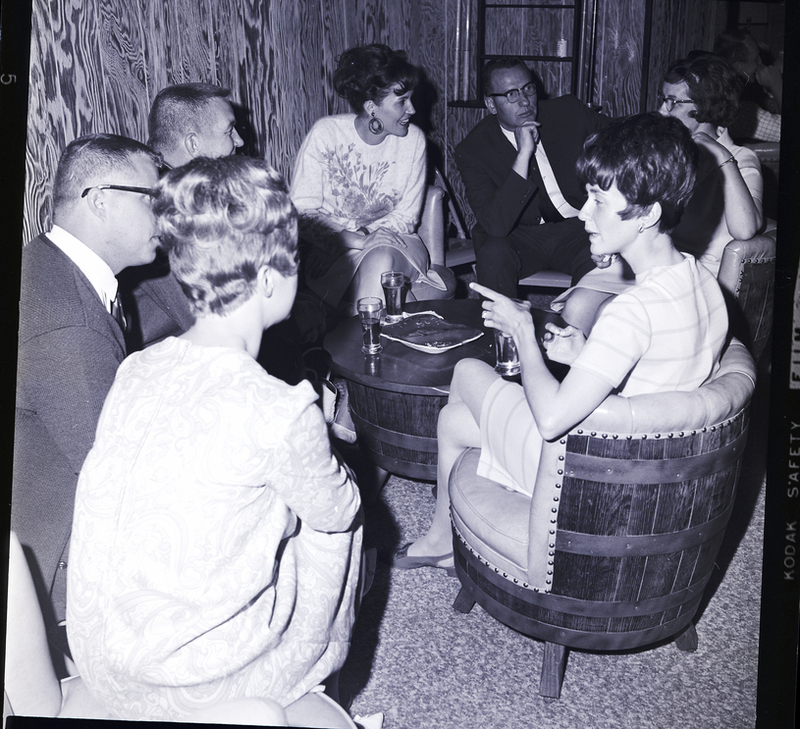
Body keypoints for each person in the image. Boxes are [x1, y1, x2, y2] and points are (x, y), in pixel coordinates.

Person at [66, 156, 364, 723]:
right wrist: (328, 457)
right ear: (271, 281)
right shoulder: (281, 410)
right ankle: (317, 673)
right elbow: (337, 510)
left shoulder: (137, 369)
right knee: (342, 516)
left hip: (101, 659)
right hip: (186, 684)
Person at [393, 113, 729, 576]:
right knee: (453, 421)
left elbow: (552, 421)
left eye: (598, 200)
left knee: (468, 371)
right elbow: (660, 376)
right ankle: (442, 540)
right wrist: (587, 351)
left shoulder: (633, 311)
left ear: (648, 214)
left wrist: (522, 332)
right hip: (644, 466)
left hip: (589, 478)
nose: (584, 213)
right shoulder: (703, 280)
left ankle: (446, 537)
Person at [12, 134, 161, 661]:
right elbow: (121, 479)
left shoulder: (49, 263)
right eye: (152, 198)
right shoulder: (68, 322)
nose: (164, 214)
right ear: (100, 200)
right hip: (56, 567)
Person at [555, 53, 763, 334]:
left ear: (705, 106)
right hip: (644, 262)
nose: (662, 110)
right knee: (577, 306)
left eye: (673, 101)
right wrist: (614, 247)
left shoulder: (741, 158)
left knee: (613, 314)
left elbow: (745, 230)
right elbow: (638, 214)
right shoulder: (666, 154)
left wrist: (721, 157)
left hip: (696, 274)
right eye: (664, 99)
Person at [291, 43, 453, 313]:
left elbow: (406, 218)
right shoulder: (326, 134)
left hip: (396, 243)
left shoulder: (414, 141)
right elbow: (302, 212)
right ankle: (394, 331)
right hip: (331, 248)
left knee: (380, 260)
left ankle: (362, 334)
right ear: (371, 107)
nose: (412, 109)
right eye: (401, 101)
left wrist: (364, 238)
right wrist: (352, 242)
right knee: (381, 286)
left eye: (411, 99)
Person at [454, 56, 610, 299]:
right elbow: (496, 225)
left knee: (602, 262)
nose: (525, 101)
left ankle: (579, 321)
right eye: (511, 94)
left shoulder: (568, 112)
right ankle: (499, 324)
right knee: (492, 252)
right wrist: (524, 154)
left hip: (578, 229)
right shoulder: (473, 150)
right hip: (520, 236)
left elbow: (622, 137)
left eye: (528, 88)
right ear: (491, 104)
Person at [119, 83, 244, 350]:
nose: (240, 141)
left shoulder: (188, 192)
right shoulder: (159, 208)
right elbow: (206, 319)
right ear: (193, 144)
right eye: (229, 130)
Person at [713, 29, 782, 143]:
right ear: (738, 66)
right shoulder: (741, 113)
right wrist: (777, 84)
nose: (760, 62)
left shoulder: (721, 93)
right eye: (756, 59)